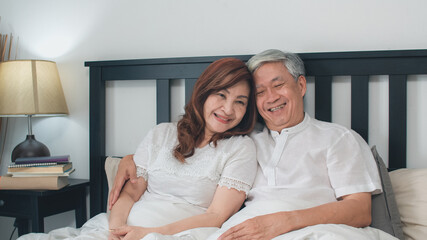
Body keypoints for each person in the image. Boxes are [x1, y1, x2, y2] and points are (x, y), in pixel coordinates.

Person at [111, 50, 398, 240]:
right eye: (260, 92)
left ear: (300, 86)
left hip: (317, 232)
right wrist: (131, 159)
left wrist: (282, 222)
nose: (270, 97)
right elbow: (186, 154)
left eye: (278, 85)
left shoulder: (338, 138)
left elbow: (360, 211)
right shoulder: (244, 142)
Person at [17, 57, 258, 240]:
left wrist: (150, 233)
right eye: (221, 95)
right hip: (121, 229)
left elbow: (215, 216)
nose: (228, 109)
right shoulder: (162, 133)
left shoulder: (240, 148)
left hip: (175, 235)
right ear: (203, 94)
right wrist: (116, 230)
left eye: (240, 102)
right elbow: (131, 193)